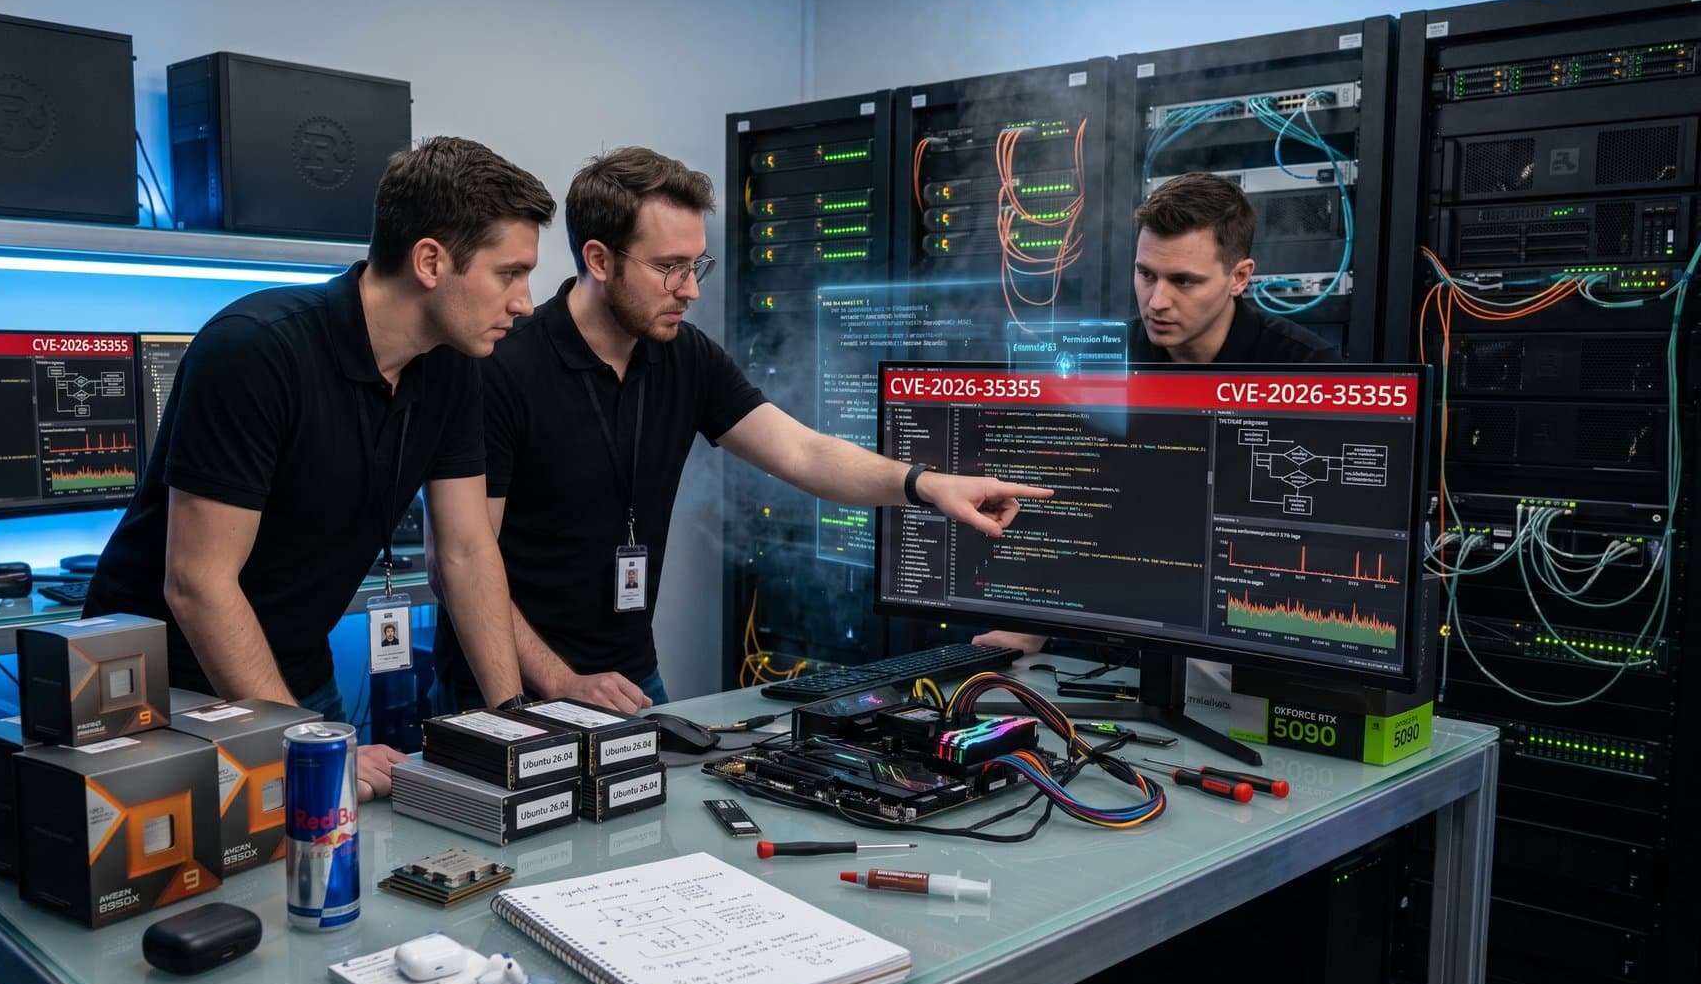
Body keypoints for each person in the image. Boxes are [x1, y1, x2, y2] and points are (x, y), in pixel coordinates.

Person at [429, 147, 1051, 715]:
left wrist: (927, 485)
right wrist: (561, 681)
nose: (692, 289)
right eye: (670, 267)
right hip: (510, 686)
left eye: (696, 263)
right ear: (598, 259)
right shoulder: (502, 368)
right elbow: (459, 558)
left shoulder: (684, 356)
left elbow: (804, 452)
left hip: (629, 679)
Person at [85, 137, 554, 799]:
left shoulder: (451, 368)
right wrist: (309, 745)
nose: (526, 302)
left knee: (340, 875)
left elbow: (468, 551)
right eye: (509, 273)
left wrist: (512, 725)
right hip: (164, 692)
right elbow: (197, 582)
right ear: (430, 261)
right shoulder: (256, 350)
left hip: (293, 672)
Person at [974, 170, 1342, 658]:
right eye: (1146, 274)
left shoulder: (1308, 375)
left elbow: (1323, 549)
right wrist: (1031, 619)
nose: (1157, 301)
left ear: (1239, 277)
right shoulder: (1102, 362)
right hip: (1117, 628)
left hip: (1251, 634)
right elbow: (1058, 503)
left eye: (1184, 281)